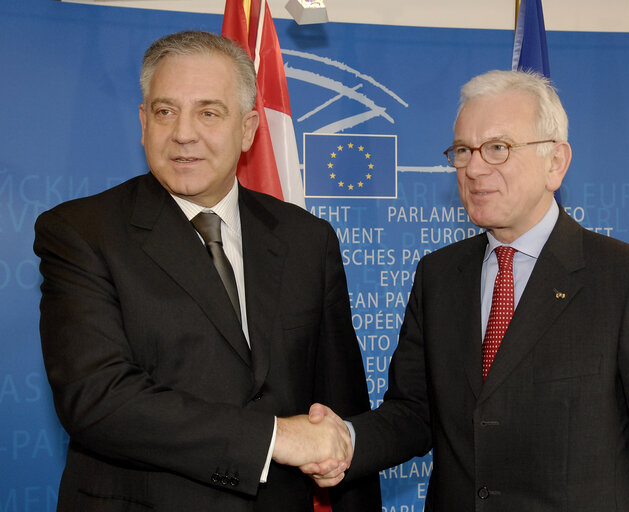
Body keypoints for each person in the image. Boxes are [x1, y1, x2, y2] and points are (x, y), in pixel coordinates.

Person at [307, 70, 629, 510]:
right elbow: (414, 413)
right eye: (463, 150)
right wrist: (345, 440)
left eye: (498, 148)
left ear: (555, 163)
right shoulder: (438, 275)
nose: (474, 168)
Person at [34, 30, 379, 511]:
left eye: (209, 112)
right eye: (165, 111)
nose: (183, 133)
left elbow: (341, 411)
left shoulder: (306, 239)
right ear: (143, 121)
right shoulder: (81, 232)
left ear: (248, 129)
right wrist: (272, 438)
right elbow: (98, 400)